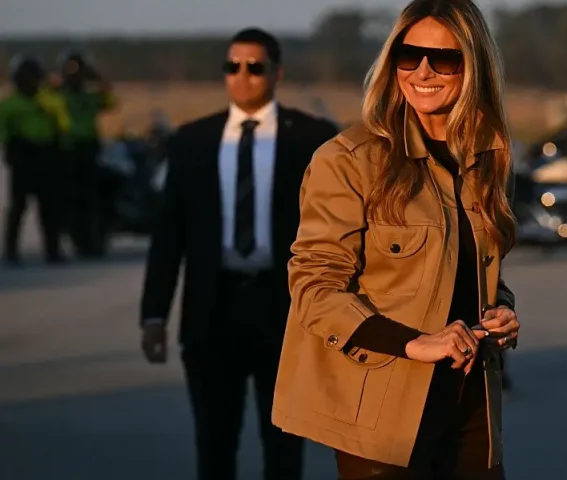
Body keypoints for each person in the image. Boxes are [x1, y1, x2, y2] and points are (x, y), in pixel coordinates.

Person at [272, 1, 521, 478]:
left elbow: (470, 269)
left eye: (443, 58)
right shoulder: (349, 160)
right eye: (409, 55)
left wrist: (502, 307)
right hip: (383, 417)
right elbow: (314, 288)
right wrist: (416, 343)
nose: (423, 71)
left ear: (474, 66)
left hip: (471, 410)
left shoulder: (489, 158)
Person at [139, 28, 337, 480]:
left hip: (284, 311)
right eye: (233, 67)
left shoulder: (311, 138)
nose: (242, 76)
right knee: (213, 445)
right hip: (212, 311)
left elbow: (339, 233)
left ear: (276, 72)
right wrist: (154, 315)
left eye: (254, 67)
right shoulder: (193, 141)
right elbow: (169, 235)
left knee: (284, 448)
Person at [1, 54, 71, 266]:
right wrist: (11, 152)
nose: (30, 83)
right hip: (23, 156)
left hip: (46, 155)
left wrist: (62, 149)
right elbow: (4, 131)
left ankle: (53, 250)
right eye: (25, 78)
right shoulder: (9, 105)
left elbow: (64, 124)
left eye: (33, 78)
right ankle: (11, 250)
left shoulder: (50, 101)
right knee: (18, 207)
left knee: (50, 207)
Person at [56, 49, 117, 257]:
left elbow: (111, 101)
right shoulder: (58, 97)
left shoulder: (90, 97)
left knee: (90, 199)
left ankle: (91, 240)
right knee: (72, 199)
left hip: (89, 148)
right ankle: (77, 239)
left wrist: (98, 77)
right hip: (68, 150)